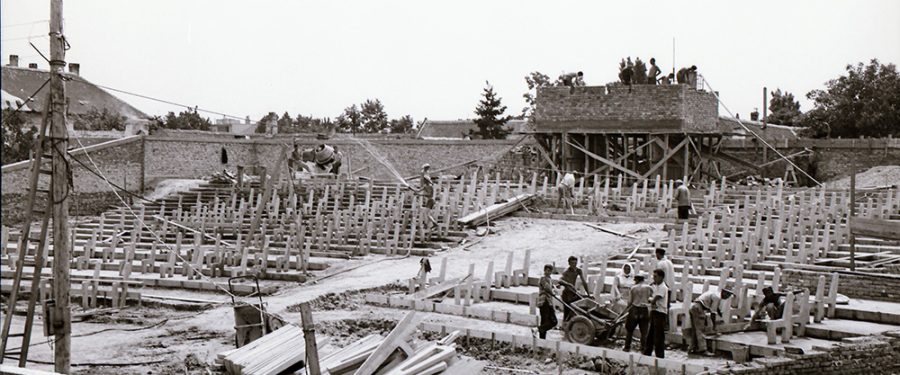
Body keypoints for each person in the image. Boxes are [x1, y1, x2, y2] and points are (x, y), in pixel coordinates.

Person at [687, 289, 734, 354]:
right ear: (723, 292)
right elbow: (713, 313)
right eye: (727, 295)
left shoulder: (715, 294)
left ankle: (692, 348)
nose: (727, 297)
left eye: (729, 296)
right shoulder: (717, 297)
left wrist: (720, 313)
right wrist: (714, 326)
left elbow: (715, 308)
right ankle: (703, 349)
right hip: (698, 308)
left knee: (695, 330)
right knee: (701, 329)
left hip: (693, 306)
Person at [643, 269, 669, 358]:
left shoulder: (663, 287)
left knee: (659, 335)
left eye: (655, 276)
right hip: (654, 312)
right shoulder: (656, 286)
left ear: (661, 277)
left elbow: (654, 300)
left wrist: (650, 299)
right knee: (651, 334)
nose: (654, 278)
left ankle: (660, 355)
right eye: (653, 276)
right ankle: (647, 352)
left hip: (660, 313)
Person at [623, 274, 652, 352]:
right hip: (644, 309)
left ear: (637, 280)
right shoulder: (649, 288)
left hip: (634, 309)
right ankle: (643, 348)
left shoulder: (633, 288)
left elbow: (629, 302)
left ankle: (627, 347)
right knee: (644, 332)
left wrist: (626, 309)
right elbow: (651, 299)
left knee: (629, 330)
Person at [560, 256, 591, 323]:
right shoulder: (566, 272)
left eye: (575, 263)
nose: (574, 265)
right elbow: (560, 280)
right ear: (569, 263)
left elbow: (584, 282)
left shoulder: (578, 270)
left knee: (583, 303)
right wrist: (568, 284)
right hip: (567, 294)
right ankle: (565, 325)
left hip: (573, 292)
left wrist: (588, 294)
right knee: (567, 311)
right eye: (572, 263)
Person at [536, 264, 559, 339]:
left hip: (549, 302)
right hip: (544, 301)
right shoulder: (543, 278)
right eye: (547, 270)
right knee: (545, 321)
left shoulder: (549, 279)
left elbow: (552, 287)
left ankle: (537, 330)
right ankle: (542, 340)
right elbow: (547, 288)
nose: (548, 272)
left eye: (550, 271)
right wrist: (553, 292)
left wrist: (555, 288)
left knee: (553, 321)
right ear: (544, 270)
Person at [416, 164, 438, 230]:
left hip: (431, 200)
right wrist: (411, 188)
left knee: (426, 213)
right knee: (426, 213)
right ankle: (427, 224)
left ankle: (434, 224)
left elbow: (429, 194)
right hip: (429, 201)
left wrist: (421, 195)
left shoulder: (430, 187)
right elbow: (418, 191)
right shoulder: (425, 186)